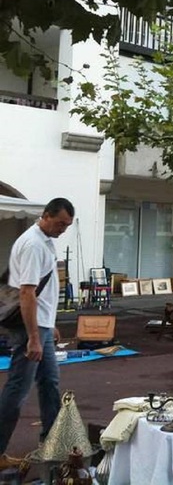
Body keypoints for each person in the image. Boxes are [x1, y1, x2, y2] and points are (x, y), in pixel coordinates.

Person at [0, 197, 75, 470]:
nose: (62, 230)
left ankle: (51, 442)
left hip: (39, 325)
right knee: (18, 389)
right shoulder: (33, 244)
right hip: (29, 328)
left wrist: (48, 323)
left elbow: (41, 291)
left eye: (67, 226)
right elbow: (26, 292)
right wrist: (34, 336)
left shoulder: (44, 241)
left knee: (50, 382)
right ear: (46, 215)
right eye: (60, 224)